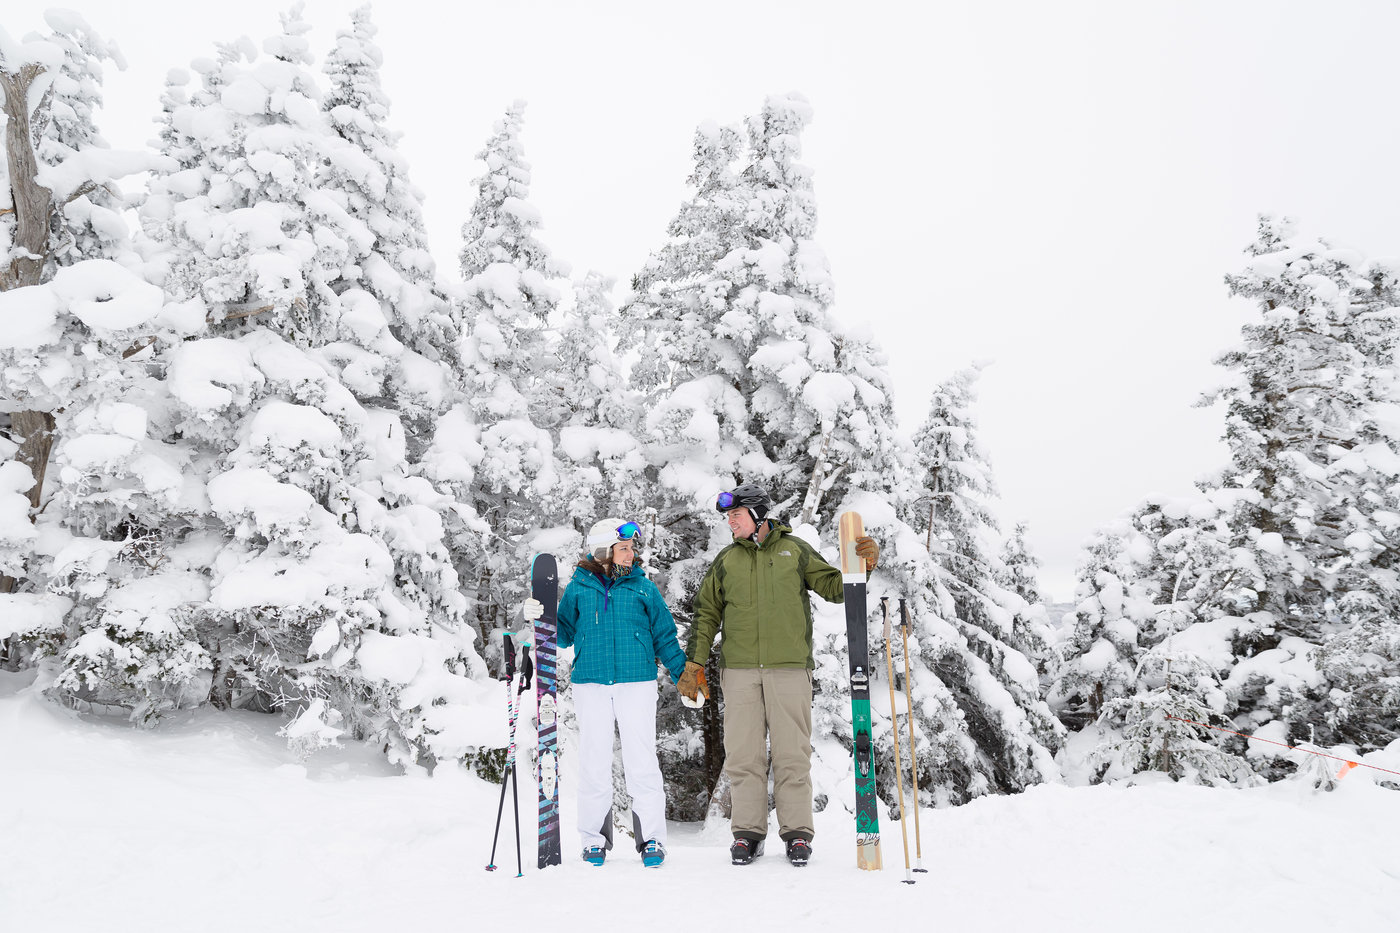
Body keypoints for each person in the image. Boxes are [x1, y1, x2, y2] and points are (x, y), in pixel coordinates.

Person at [678, 483, 879, 867]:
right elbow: (706, 615)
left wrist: (862, 567)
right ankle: (748, 834)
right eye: (728, 517)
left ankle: (798, 835)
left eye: (735, 516)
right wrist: (695, 663)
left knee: (792, 754)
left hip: (789, 669)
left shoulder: (794, 551)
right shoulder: (726, 561)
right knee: (743, 755)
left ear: (758, 516)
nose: (730, 523)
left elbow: (835, 588)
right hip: (738, 672)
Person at [523, 517, 686, 869]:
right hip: (591, 684)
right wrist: (540, 617)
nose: (631, 554)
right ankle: (593, 840)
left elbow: (665, 635)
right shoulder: (580, 588)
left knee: (641, 761)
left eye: (631, 548)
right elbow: (562, 634)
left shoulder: (644, 588)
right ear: (603, 552)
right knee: (594, 761)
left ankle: (652, 839)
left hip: (636, 682)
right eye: (624, 548)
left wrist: (684, 674)